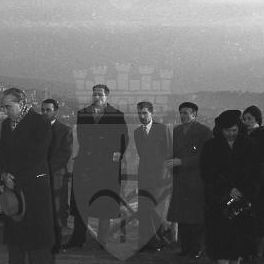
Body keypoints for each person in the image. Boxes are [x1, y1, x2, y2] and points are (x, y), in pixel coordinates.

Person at [0, 88, 55, 264]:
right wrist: (3, 174)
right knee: (15, 233)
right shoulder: (6, 125)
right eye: (3, 107)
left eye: (8, 106)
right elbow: (1, 153)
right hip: (12, 187)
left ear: (21, 103)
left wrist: (16, 179)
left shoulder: (40, 123)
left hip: (34, 188)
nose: (5, 111)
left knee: (39, 235)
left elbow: (37, 155)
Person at [64, 84, 128, 249]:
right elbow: (82, 138)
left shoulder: (117, 115)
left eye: (100, 94)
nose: (97, 97)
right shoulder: (83, 113)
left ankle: (102, 241)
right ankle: (78, 239)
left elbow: (124, 139)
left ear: (107, 96)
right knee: (81, 203)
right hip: (87, 163)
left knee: (105, 203)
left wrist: (116, 155)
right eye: (95, 94)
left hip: (107, 166)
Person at [200, 110, 258, 264]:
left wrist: (242, 190)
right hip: (218, 198)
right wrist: (228, 189)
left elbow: (255, 170)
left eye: (234, 130)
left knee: (239, 234)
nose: (231, 134)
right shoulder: (210, 146)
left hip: (242, 198)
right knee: (220, 235)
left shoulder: (249, 144)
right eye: (227, 130)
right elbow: (207, 172)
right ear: (220, 129)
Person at [166, 102, 212, 259]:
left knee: (196, 216)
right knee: (182, 216)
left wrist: (182, 162)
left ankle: (196, 248)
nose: (183, 116)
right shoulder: (177, 130)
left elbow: (205, 156)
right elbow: (173, 151)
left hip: (196, 179)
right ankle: (185, 248)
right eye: (181, 113)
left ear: (194, 114)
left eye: (186, 113)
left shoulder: (204, 131)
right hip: (181, 179)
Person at [133, 101, 170, 251]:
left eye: (144, 113)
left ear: (152, 113)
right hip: (144, 176)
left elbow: (168, 153)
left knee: (156, 210)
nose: (142, 116)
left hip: (159, 177)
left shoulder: (162, 129)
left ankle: (157, 242)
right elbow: (142, 154)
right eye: (139, 113)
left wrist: (163, 174)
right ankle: (144, 242)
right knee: (144, 208)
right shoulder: (137, 132)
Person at [241, 105, 264, 261]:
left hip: (258, 185)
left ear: (257, 119)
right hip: (247, 184)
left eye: (250, 118)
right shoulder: (245, 134)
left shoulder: (262, 135)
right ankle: (247, 252)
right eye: (244, 119)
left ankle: (254, 253)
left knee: (256, 219)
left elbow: (262, 163)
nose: (246, 121)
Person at [41, 98, 73, 252]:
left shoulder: (65, 130)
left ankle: (56, 244)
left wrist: (46, 168)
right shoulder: (36, 130)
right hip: (39, 176)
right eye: (43, 110)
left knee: (57, 210)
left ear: (56, 111)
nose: (45, 113)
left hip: (57, 176)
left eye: (48, 110)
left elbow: (65, 154)